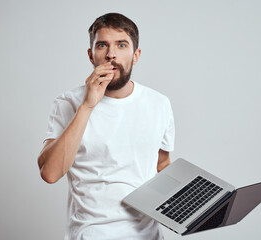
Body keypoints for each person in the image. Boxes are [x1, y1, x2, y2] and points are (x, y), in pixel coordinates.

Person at [38, 13, 175, 240]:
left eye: (121, 45)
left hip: (148, 235)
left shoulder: (159, 103)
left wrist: (188, 208)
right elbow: (50, 173)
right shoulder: (69, 103)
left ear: (136, 55)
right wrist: (88, 105)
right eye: (103, 45)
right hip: (91, 234)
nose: (111, 54)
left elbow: (162, 165)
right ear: (92, 56)